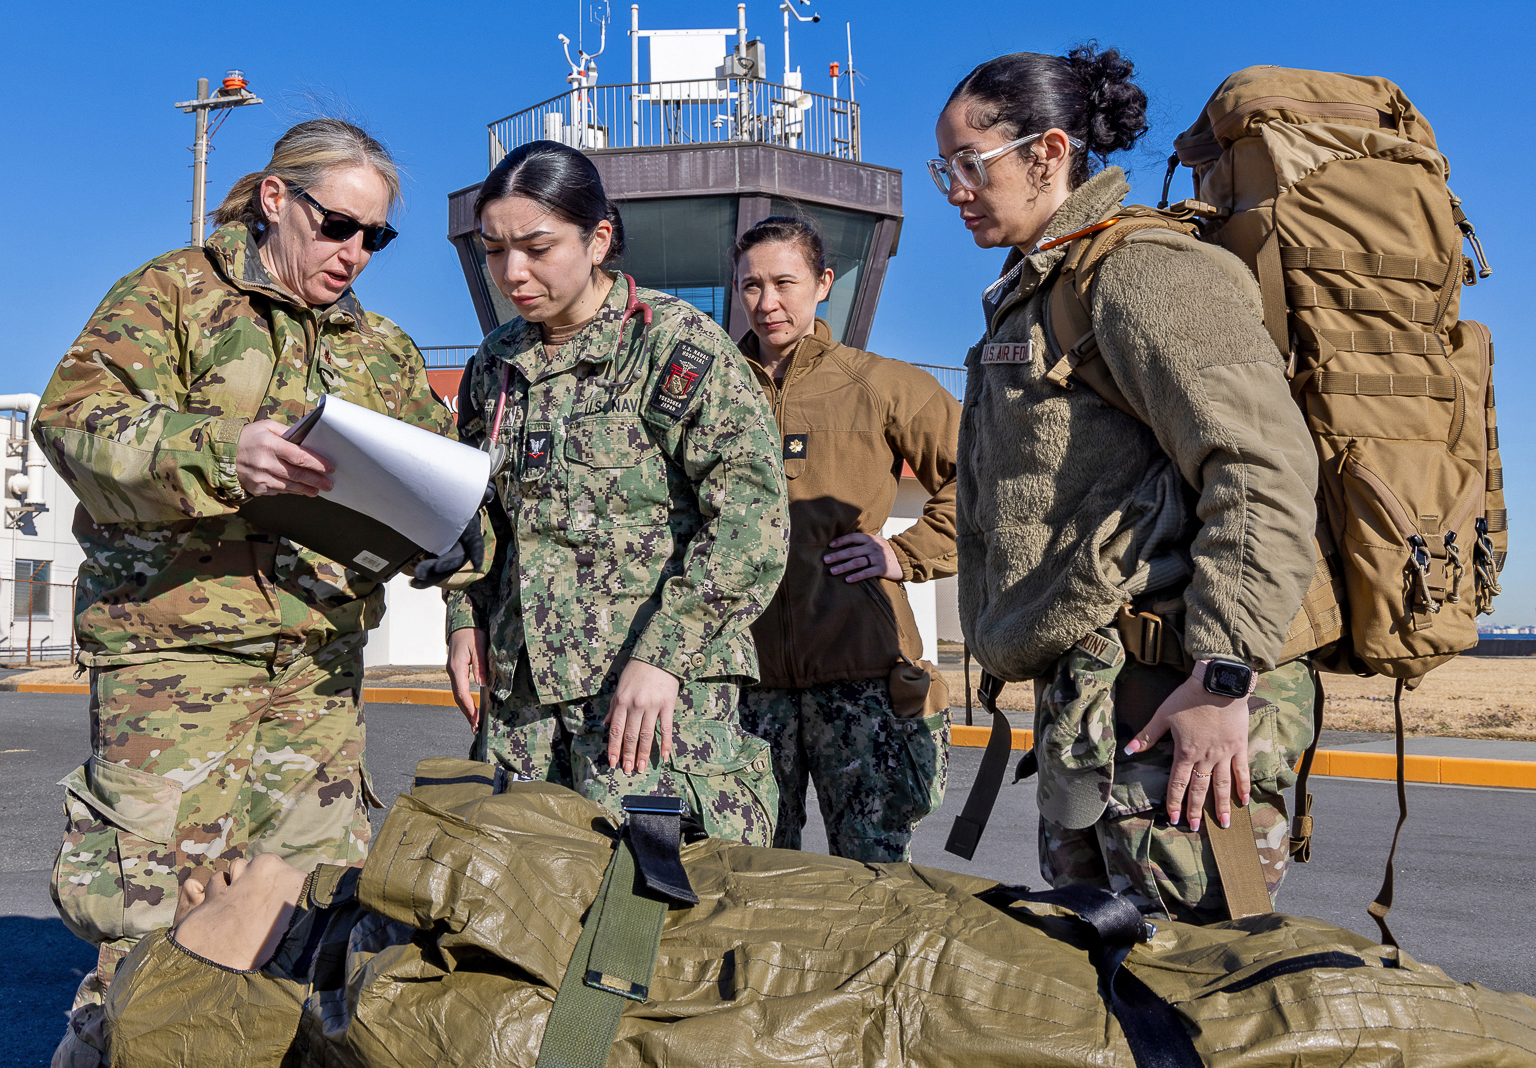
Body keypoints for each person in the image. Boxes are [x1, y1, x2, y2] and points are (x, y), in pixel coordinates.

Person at [101, 764, 1536, 1066]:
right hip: (819, 986)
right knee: (1299, 1020)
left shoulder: (379, 931)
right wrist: (207, 962)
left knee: (1255, 993)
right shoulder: (384, 1014)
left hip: (806, 939)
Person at [35, 118, 480, 1066]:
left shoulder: (384, 350)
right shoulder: (176, 296)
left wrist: (453, 574)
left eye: (375, 238)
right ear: (276, 198)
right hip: (178, 671)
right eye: (338, 226)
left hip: (317, 677)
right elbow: (74, 422)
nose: (354, 254)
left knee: (311, 925)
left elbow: (433, 488)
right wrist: (217, 450)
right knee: (151, 931)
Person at [933, 47, 1319, 923]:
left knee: (1203, 997)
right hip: (1100, 713)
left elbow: (1263, 465)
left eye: (969, 163)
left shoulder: (1142, 273)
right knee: (1107, 996)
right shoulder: (1041, 288)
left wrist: (1222, 678)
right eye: (942, 166)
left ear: (1048, 152)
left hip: (1177, 704)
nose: (952, 187)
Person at [444, 141, 788, 844]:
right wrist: (461, 617)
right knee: (523, 911)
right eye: (494, 250)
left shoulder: (674, 346)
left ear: (598, 238)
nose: (513, 273)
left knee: (646, 917)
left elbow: (750, 525)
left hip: (649, 698)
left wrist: (665, 654)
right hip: (523, 705)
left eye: (538, 248)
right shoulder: (495, 365)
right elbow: (476, 511)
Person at [731, 216, 961, 862]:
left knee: (872, 879)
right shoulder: (715, 391)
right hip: (746, 684)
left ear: (824, 284)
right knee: (750, 875)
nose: (767, 302)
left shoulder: (878, 384)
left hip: (861, 683)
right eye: (751, 286)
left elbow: (985, 472)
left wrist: (904, 553)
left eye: (785, 282)